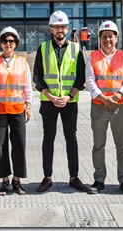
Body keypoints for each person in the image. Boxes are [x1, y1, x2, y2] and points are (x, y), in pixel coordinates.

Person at [32, 10, 88, 193]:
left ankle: (74, 177)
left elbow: (81, 77)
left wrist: (68, 96)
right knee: (48, 139)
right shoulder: (43, 48)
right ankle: (47, 177)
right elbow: (38, 77)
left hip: (69, 102)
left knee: (71, 138)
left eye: (62, 27)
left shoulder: (76, 48)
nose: (60, 30)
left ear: (67, 28)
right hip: (49, 102)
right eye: (56, 27)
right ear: (51, 29)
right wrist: (50, 96)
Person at [0, 27, 32, 196]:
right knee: (0, 146)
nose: (8, 44)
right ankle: (4, 180)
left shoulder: (23, 62)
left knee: (19, 145)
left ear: (16, 43)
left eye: (11, 41)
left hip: (17, 109)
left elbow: (28, 87)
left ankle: (17, 180)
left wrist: (28, 106)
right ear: (1, 43)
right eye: (5, 41)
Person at [85, 20, 123, 196]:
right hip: (99, 106)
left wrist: (118, 96)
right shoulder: (93, 56)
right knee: (98, 145)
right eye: (104, 37)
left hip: (119, 107)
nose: (107, 40)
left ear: (116, 38)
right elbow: (90, 80)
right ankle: (99, 180)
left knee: (122, 146)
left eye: (111, 36)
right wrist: (103, 98)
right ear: (99, 38)